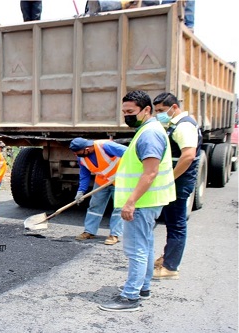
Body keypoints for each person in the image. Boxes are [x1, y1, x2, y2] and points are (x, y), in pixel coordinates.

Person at [99, 90, 175, 312]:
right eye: (124, 112)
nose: (126, 116)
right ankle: (143, 288)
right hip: (149, 201)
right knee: (147, 245)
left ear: (147, 110)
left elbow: (150, 173)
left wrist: (130, 202)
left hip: (142, 203)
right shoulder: (147, 130)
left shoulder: (150, 134)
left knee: (136, 249)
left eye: (131, 111)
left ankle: (130, 297)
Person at [151, 92, 201, 280]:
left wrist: (170, 179)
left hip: (178, 183)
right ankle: (168, 258)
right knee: (171, 222)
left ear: (174, 107)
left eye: (162, 110)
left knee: (176, 224)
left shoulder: (184, 126)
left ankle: (170, 267)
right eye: (156, 111)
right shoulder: (176, 124)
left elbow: (188, 156)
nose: (159, 114)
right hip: (177, 181)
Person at [69, 137, 128, 245]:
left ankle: (114, 234)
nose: (76, 155)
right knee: (94, 206)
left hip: (119, 180)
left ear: (87, 148)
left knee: (119, 208)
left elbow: (129, 153)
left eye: (78, 152)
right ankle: (89, 231)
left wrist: (128, 170)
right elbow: (84, 175)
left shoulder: (105, 146)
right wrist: (80, 191)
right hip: (102, 181)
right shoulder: (81, 157)